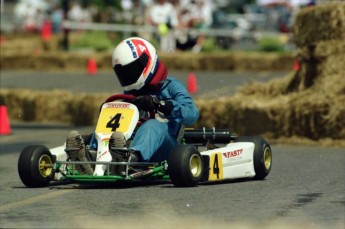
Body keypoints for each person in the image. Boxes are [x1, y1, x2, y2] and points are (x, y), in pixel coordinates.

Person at [65, 37, 199, 176]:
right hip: (132, 141)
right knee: (109, 122)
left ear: (146, 62)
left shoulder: (171, 86)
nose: (128, 76)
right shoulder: (131, 91)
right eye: (124, 73)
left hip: (166, 147)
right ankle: (91, 157)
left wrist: (161, 104)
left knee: (152, 125)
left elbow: (192, 114)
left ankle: (131, 159)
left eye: (132, 70)